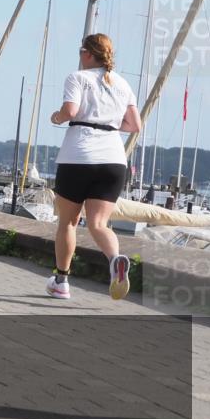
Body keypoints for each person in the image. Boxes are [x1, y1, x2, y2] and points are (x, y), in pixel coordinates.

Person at [46, 33, 140, 301]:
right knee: (98, 223)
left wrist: (56, 117)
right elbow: (135, 125)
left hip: (79, 156)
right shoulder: (123, 84)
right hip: (113, 158)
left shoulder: (77, 78)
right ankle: (115, 259)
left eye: (80, 51)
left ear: (87, 53)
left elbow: (70, 111)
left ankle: (61, 282)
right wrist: (109, 124)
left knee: (68, 222)